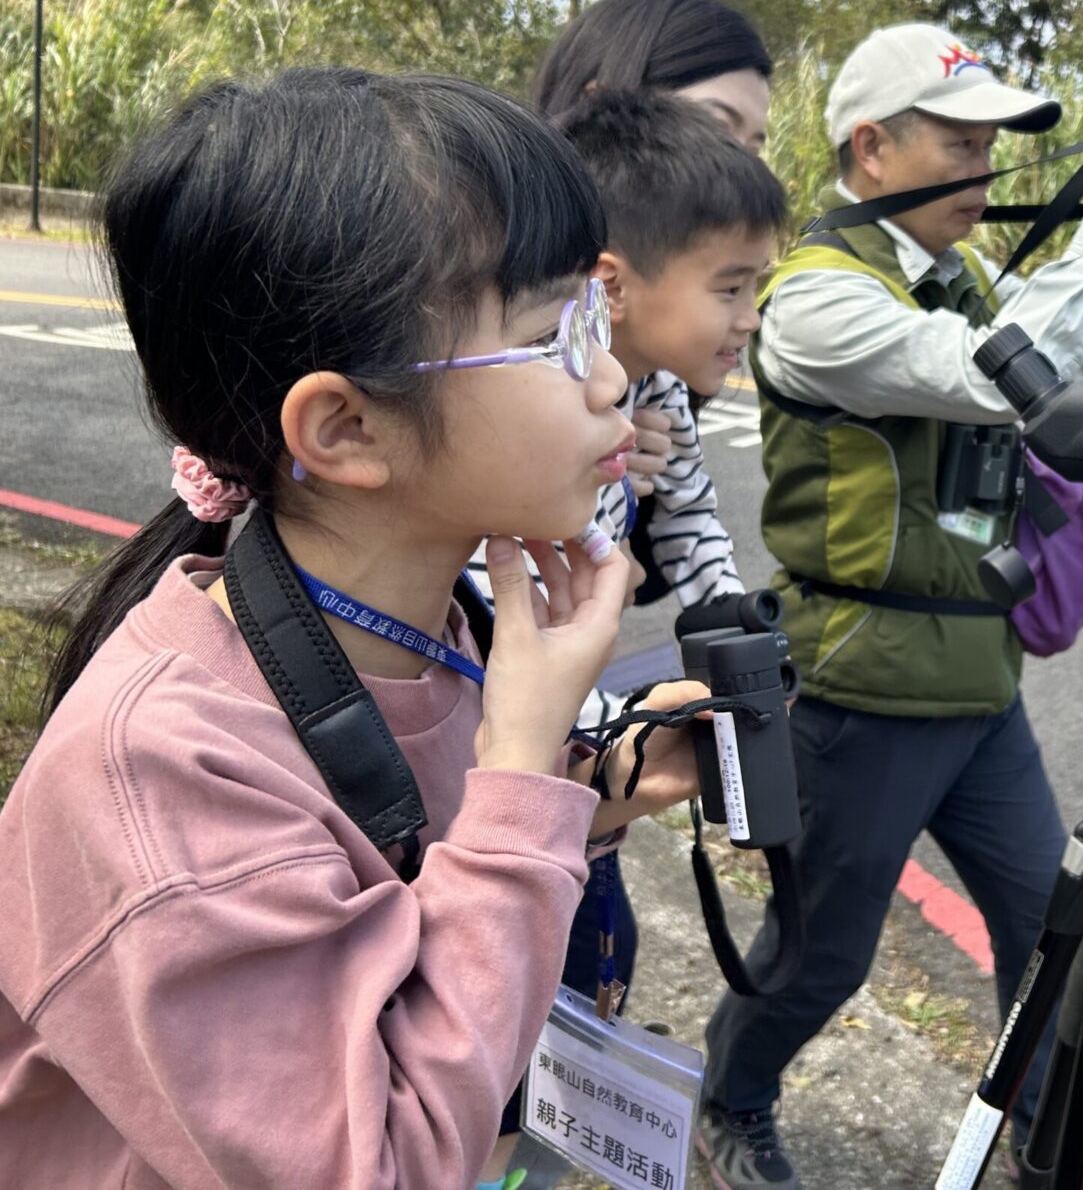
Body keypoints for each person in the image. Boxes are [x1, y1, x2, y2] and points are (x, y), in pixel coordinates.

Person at [0, 68, 706, 1189]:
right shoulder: (161, 768)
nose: (614, 377)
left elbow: (413, 865)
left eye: (595, 316)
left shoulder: (437, 623)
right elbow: (375, 1167)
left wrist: (588, 786)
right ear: (346, 427)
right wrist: (522, 770)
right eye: (551, 336)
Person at [699, 23, 1083, 1190]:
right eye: (961, 141)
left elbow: (1063, 366)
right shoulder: (817, 299)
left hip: (978, 686)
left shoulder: (957, 276)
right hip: (857, 691)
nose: (987, 170)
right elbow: (1003, 374)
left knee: (1050, 933)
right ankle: (729, 1102)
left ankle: (1045, 1145)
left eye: (995, 145)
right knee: (822, 958)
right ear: (871, 148)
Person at [464, 0, 778, 1011]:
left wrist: (732, 631)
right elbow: (485, 616)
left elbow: (688, 515)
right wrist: (607, 740)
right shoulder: (514, 399)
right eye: (713, 131)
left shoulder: (655, 389)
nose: (738, 166)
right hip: (511, 751)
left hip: (570, 751)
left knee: (589, 963)